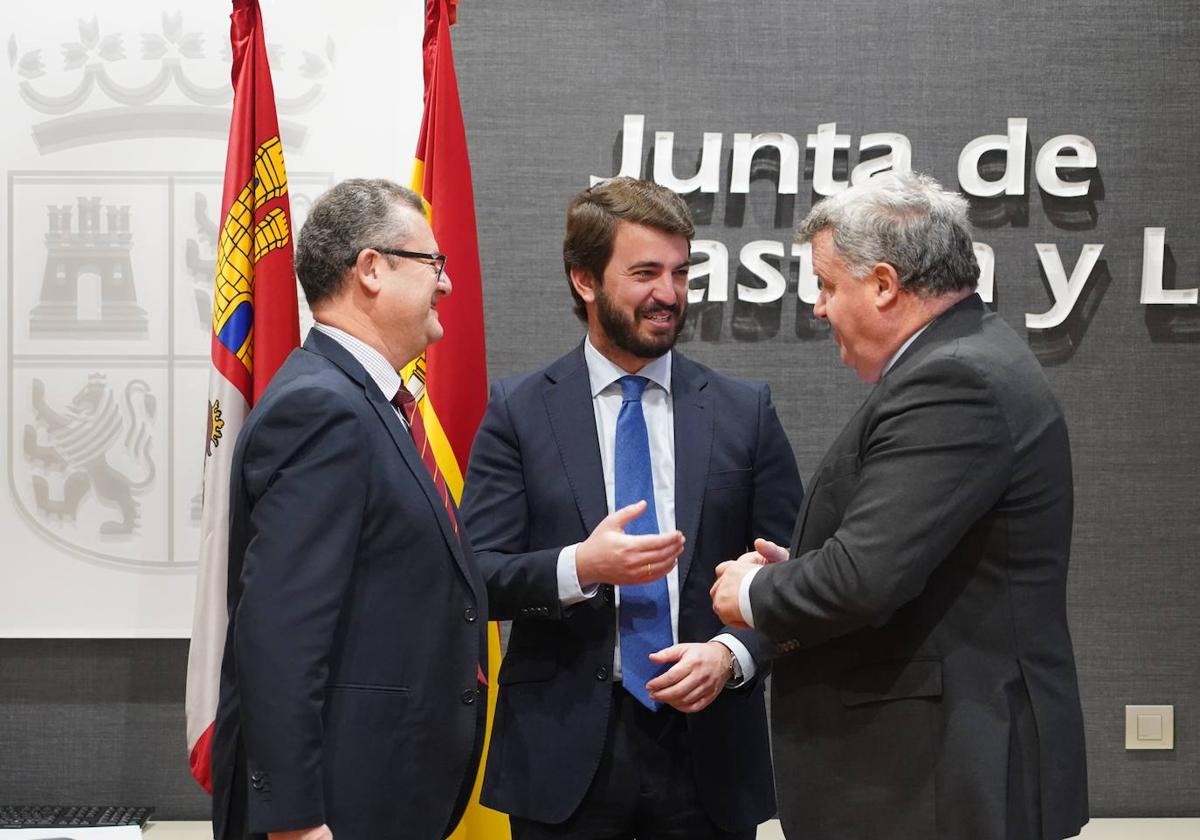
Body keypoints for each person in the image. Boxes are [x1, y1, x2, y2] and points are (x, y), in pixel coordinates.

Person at [711, 171, 1089, 840]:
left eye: (827, 286)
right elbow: (906, 552)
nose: (820, 308)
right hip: (928, 774)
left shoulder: (954, 379)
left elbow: (866, 578)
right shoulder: (965, 358)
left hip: (935, 781)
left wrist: (758, 589)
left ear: (884, 284)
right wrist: (806, 570)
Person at [460, 176, 802, 840]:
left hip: (710, 757)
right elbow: (479, 574)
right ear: (585, 280)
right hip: (563, 759)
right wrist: (580, 565)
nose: (669, 295)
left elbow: (795, 578)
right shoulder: (520, 413)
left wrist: (733, 653)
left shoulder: (744, 412)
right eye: (646, 272)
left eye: (680, 272)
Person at [210, 179, 488, 840]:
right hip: (338, 805)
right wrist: (297, 823)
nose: (446, 285)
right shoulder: (322, 409)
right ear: (371, 270)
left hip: (384, 790)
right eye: (433, 265)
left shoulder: (367, 404)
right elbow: (280, 632)